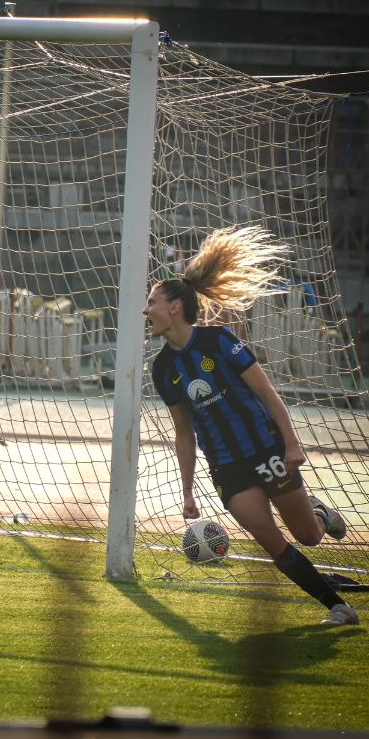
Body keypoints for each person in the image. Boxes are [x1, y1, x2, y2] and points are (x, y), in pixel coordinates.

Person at [143, 225, 359, 626]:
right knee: (273, 544)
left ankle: (319, 514)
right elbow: (184, 432)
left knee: (308, 536)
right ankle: (339, 607)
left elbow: (269, 395)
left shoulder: (219, 340)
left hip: (267, 449)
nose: (146, 310)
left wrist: (292, 444)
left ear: (174, 307)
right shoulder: (162, 369)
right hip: (227, 468)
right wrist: (187, 491)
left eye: (151, 301)